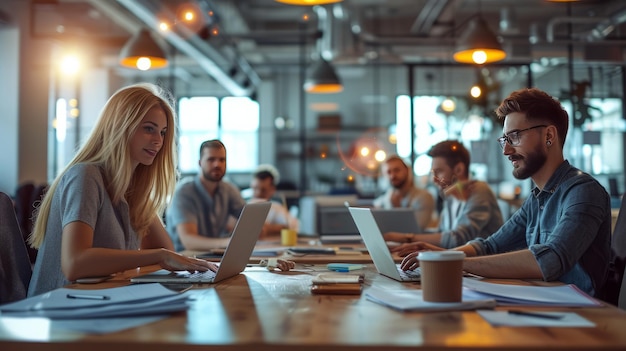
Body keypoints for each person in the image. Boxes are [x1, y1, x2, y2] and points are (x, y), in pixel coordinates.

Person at [400, 88, 611, 297]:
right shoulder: (537, 198)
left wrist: (452, 262)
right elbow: (491, 245)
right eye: (505, 140)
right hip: (540, 304)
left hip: (581, 318)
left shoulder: (584, 191)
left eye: (515, 136)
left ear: (549, 135)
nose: (506, 151)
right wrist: (442, 255)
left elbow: (550, 261)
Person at [27, 83, 213, 296]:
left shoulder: (132, 187)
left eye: (162, 132)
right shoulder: (85, 176)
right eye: (148, 128)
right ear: (120, 126)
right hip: (61, 308)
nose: (158, 140)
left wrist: (142, 201)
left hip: (99, 300)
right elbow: (74, 264)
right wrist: (159, 255)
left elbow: (166, 251)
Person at [384, 140, 503, 250]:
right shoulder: (451, 197)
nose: (434, 179)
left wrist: (406, 238)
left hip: (479, 270)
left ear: (459, 169)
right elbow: (442, 233)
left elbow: (457, 239)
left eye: (439, 172)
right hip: (457, 265)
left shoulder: (479, 191)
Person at [166, 139, 247, 252]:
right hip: (184, 258)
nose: (217, 164)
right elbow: (189, 241)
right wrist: (228, 242)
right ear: (200, 163)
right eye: (211, 159)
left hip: (211, 256)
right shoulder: (185, 192)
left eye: (222, 160)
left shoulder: (228, 189)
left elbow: (250, 222)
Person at [373, 155, 435, 230]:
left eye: (396, 170)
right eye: (388, 172)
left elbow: (417, 228)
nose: (392, 176)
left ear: (407, 170)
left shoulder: (424, 197)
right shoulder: (386, 198)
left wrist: (397, 208)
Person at [247, 164, 299, 237]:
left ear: (272, 190)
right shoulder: (242, 206)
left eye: (263, 190)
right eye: (255, 188)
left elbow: (292, 226)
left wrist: (268, 228)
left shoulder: (276, 208)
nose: (258, 193)